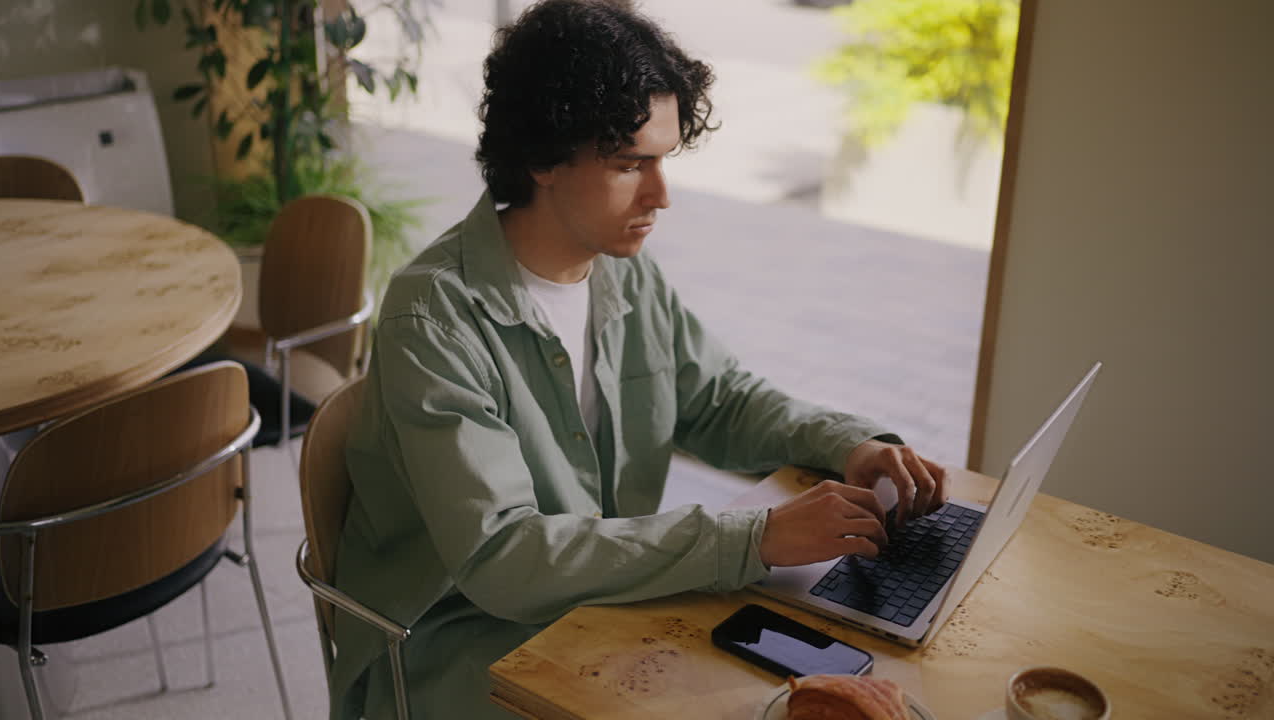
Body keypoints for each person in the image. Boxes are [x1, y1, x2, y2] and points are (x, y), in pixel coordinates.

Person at [332, 1, 948, 718]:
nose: (661, 195)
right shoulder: (433, 317)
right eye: (632, 164)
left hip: (600, 603)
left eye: (664, 160)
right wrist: (756, 537)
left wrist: (848, 444)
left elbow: (719, 399)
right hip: (460, 645)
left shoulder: (620, 269)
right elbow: (503, 561)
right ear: (542, 159)